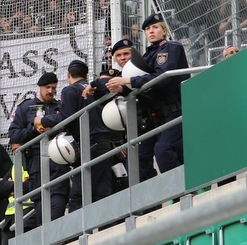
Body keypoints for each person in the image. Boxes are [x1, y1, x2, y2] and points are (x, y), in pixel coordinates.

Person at [107, 13, 189, 175]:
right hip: (157, 116)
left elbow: (161, 78)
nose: (151, 31)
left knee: (164, 150)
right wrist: (122, 89)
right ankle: (183, 192)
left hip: (174, 110)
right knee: (159, 155)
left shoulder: (171, 47)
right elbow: (142, 83)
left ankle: (179, 191)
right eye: (147, 29)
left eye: (155, 27)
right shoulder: (148, 55)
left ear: (164, 31)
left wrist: (127, 81)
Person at [38, 61, 115, 216]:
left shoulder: (70, 90)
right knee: (103, 193)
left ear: (68, 75)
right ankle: (106, 231)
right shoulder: (93, 88)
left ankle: (76, 236)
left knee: (78, 197)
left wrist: (43, 121)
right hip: (105, 145)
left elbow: (67, 119)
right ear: (86, 76)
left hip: (89, 147)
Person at [8, 72, 70, 225]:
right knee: (40, 200)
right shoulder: (26, 107)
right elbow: (14, 135)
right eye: (47, 87)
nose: (50, 91)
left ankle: (55, 237)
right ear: (40, 87)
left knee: (58, 198)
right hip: (35, 161)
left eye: (53, 88)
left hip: (59, 159)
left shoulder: (60, 107)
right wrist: (34, 129)